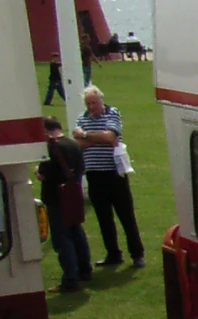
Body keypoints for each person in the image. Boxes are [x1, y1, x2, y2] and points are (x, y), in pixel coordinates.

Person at [74, 83, 143, 269]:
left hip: (114, 174)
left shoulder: (112, 113)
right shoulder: (82, 118)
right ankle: (113, 253)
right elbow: (78, 144)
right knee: (104, 218)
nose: (91, 107)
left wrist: (87, 135)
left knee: (126, 215)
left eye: (93, 103)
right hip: (94, 175)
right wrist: (96, 137)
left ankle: (137, 254)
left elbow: (110, 137)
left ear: (101, 100)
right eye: (88, 103)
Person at [39, 117, 92, 292]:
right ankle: (85, 270)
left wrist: (39, 174)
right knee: (77, 232)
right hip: (73, 195)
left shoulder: (52, 148)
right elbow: (81, 168)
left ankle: (70, 278)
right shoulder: (73, 144)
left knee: (63, 239)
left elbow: (44, 174)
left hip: (57, 197)